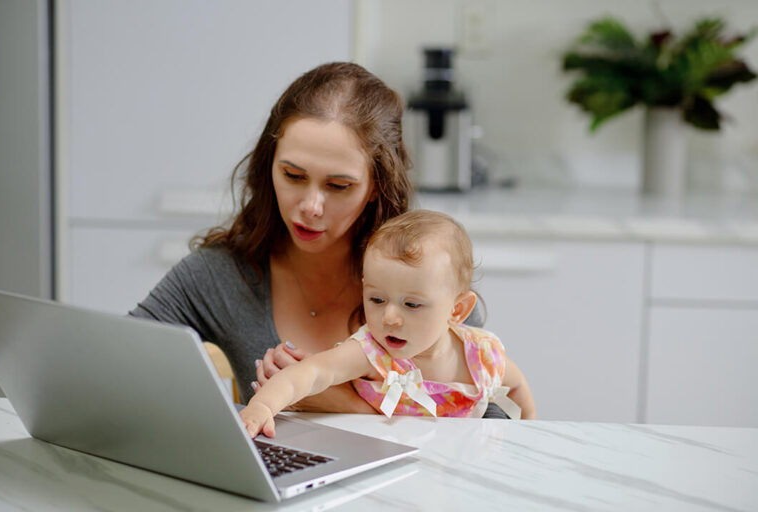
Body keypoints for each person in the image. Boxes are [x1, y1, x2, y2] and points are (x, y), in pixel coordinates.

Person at [129, 61, 507, 418]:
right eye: (293, 176)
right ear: (269, 166)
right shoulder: (220, 275)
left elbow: (488, 427)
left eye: (338, 185)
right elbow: (110, 368)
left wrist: (342, 403)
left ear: (377, 186)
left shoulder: (425, 276)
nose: (310, 206)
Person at [239, 210, 536, 437]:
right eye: (377, 300)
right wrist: (263, 406)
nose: (389, 318)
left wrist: (531, 436)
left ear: (457, 310)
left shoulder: (482, 356)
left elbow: (518, 386)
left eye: (411, 305)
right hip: (381, 471)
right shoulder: (373, 353)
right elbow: (312, 372)